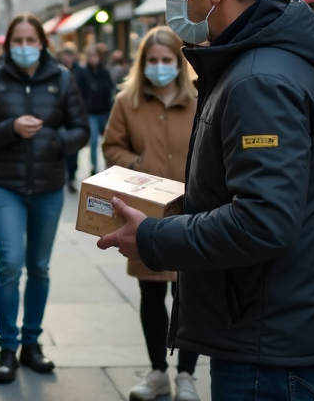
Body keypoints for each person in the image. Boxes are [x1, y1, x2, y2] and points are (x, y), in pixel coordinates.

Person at [96, 0, 314, 400]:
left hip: (265, 334)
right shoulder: (254, 63)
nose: (171, 2)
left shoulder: (259, 79)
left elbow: (263, 220)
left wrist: (152, 236)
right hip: (270, 319)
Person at [0, 14, 89, 384]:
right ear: (8, 46)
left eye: (30, 39)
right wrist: (10, 128)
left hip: (49, 186)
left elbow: (80, 129)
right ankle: (7, 348)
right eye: (17, 40)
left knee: (39, 266)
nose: (24, 46)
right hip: (6, 185)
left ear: (41, 43)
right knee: (10, 263)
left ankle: (31, 344)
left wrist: (54, 141)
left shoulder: (63, 79)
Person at [102, 26, 202, 401]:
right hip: (145, 213)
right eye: (154, 61)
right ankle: (158, 371)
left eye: (167, 61)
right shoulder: (126, 102)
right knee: (151, 291)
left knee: (189, 295)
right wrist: (137, 164)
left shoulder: (199, 98)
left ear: (179, 63)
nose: (161, 67)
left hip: (191, 211)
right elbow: (112, 146)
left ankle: (187, 375)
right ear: (143, 64)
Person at [77, 44, 116, 176]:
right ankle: (94, 167)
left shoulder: (104, 72)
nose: (93, 58)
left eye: (95, 55)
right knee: (93, 141)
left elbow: (110, 89)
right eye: (90, 55)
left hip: (104, 111)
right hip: (91, 112)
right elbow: (79, 92)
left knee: (108, 140)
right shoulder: (83, 73)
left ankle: (108, 166)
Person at [56, 42, 85, 192]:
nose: (67, 59)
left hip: (75, 117)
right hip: (59, 117)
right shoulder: (55, 72)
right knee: (59, 148)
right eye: (65, 55)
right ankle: (62, 175)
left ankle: (71, 176)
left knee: (73, 149)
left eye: (70, 55)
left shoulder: (80, 72)